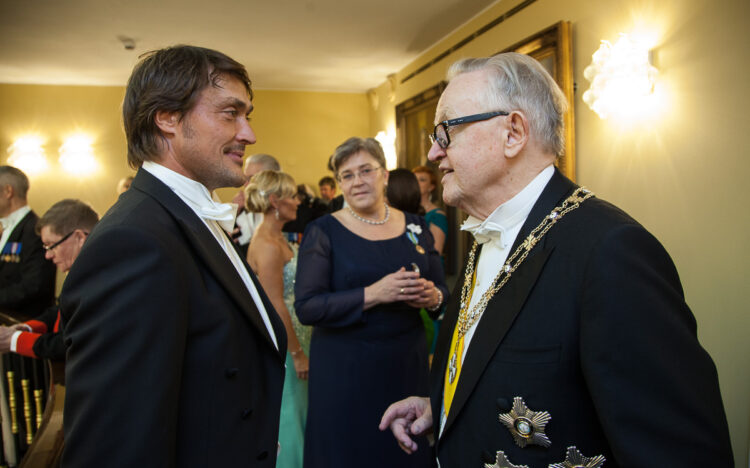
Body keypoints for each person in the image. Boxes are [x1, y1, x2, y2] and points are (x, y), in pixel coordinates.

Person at [380, 53, 734, 467]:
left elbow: (680, 453)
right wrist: (442, 409)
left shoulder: (611, 252)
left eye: (445, 132)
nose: (433, 153)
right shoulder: (488, 233)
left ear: (513, 132)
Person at [59, 45, 287, 467]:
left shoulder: (185, 216)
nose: (249, 134)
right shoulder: (133, 241)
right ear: (167, 117)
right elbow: (116, 444)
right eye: (230, 113)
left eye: (247, 115)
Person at [295, 137, 448, 468]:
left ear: (385, 175)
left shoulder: (416, 225)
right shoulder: (323, 231)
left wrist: (431, 296)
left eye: (366, 170)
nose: (357, 181)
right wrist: (374, 294)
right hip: (345, 369)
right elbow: (308, 307)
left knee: (405, 449)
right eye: (347, 175)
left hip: (406, 365)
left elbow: (441, 290)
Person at [245, 170, 310, 468]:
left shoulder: (277, 237)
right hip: (287, 342)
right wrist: (296, 354)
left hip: (300, 333)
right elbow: (275, 304)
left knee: (301, 413)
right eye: (292, 195)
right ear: (275, 201)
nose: (298, 201)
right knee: (290, 416)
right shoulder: (268, 246)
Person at [0, 199, 98, 360]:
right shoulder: (83, 272)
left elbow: (73, 342)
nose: (48, 255)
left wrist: (14, 340)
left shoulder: (99, 278)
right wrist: (26, 328)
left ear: (79, 238)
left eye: (51, 245)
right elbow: (61, 311)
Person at [0, 166, 56, 319]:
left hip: (23, 322)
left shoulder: (35, 230)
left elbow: (34, 285)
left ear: (8, 191)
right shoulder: (6, 227)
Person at [232, 153, 282, 253]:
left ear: (271, 178)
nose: (245, 184)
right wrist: (234, 212)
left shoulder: (288, 211)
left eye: (252, 178)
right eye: (245, 178)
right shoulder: (239, 210)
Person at [412, 165, 447, 255]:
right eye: (414, 179)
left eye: (422, 180)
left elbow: (436, 252)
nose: (416, 183)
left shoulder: (437, 216)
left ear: (431, 187)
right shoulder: (407, 211)